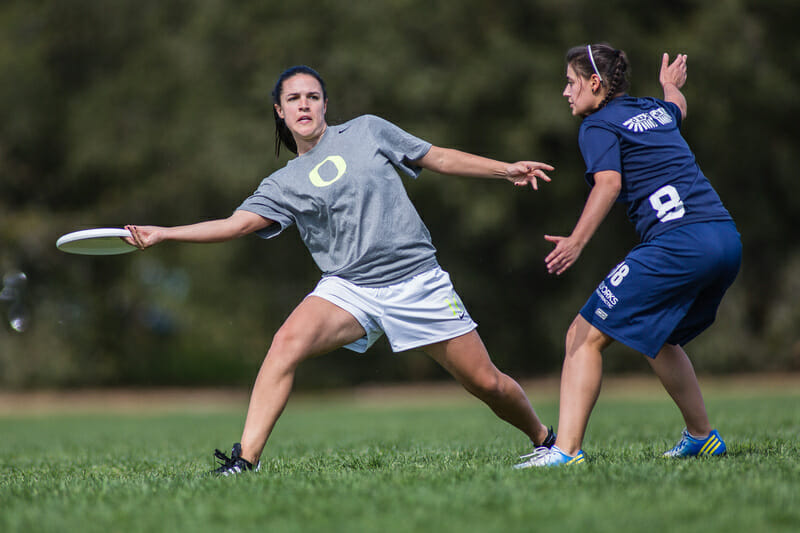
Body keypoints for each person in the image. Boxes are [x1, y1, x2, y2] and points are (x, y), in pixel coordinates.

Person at [125, 65, 556, 475]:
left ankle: (546, 441)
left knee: (486, 384)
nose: (304, 105)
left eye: (312, 96)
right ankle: (245, 462)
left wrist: (505, 170)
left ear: (326, 104)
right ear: (280, 110)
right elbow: (234, 225)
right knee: (285, 344)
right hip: (350, 287)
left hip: (417, 281)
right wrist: (165, 233)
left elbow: (437, 157)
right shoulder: (282, 183)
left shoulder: (367, 130)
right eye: (293, 99)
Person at [515, 45, 741, 468]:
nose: (565, 92)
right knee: (661, 336)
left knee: (581, 337)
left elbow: (609, 184)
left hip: (678, 245)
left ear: (595, 83)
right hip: (725, 238)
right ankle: (702, 437)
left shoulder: (596, 125)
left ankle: (565, 451)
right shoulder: (654, 109)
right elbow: (678, 106)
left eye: (570, 82)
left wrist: (578, 240)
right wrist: (671, 86)